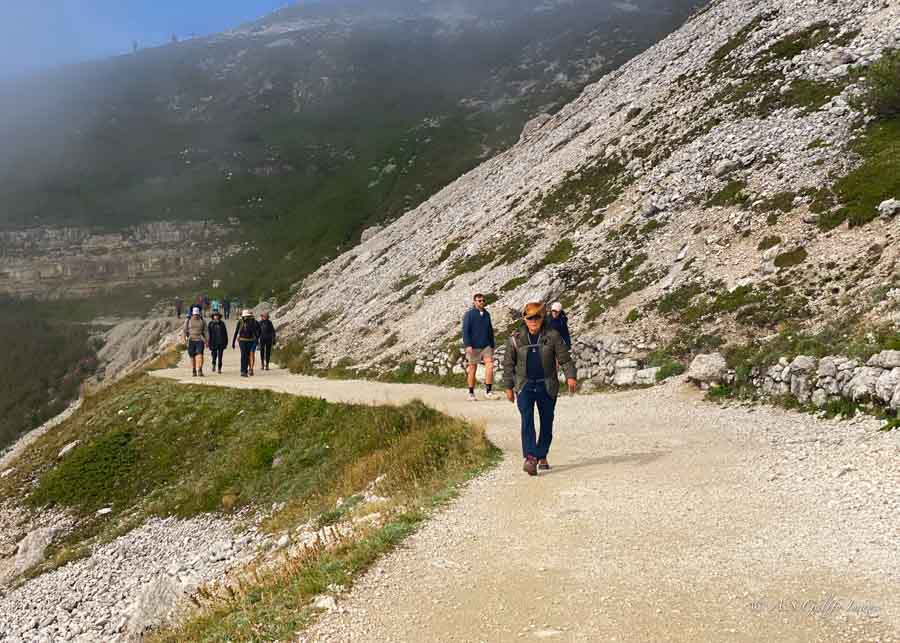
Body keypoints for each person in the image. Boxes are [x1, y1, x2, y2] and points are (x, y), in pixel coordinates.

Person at [503, 300, 577, 476]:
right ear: (524, 319)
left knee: (546, 422)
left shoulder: (552, 336)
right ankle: (530, 457)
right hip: (524, 384)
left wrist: (571, 377)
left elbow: (565, 359)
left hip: (547, 384)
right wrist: (508, 386)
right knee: (527, 419)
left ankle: (541, 454)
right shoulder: (515, 339)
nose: (533, 321)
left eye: (536, 317)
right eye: (530, 318)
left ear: (542, 318)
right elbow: (508, 364)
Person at [462, 293, 496, 401]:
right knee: (472, 368)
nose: (481, 302)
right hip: (474, 346)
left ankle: (488, 391)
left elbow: (490, 330)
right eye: (479, 300)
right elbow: (465, 330)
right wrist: (468, 344)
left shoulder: (487, 314)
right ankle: (471, 393)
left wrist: (492, 344)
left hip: (486, 345)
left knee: (490, 365)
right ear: (474, 302)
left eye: (483, 300)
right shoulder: (469, 315)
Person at [232, 309, 261, 377]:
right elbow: (236, 332)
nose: (246, 317)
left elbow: (254, 332)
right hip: (242, 341)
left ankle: (246, 370)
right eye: (245, 316)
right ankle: (243, 371)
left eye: (247, 316)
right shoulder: (240, 322)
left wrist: (257, 340)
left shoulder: (252, 322)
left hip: (250, 341)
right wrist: (233, 342)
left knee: (247, 356)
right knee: (243, 355)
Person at [184, 307, 209, 377]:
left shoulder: (202, 320)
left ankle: (200, 369)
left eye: (197, 314)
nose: (196, 315)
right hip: (191, 339)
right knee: (192, 356)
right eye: (195, 314)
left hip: (200, 339)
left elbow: (206, 331)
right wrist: (184, 340)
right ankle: (194, 370)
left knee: (200, 355)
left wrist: (207, 340)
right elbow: (184, 330)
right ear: (192, 314)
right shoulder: (188, 320)